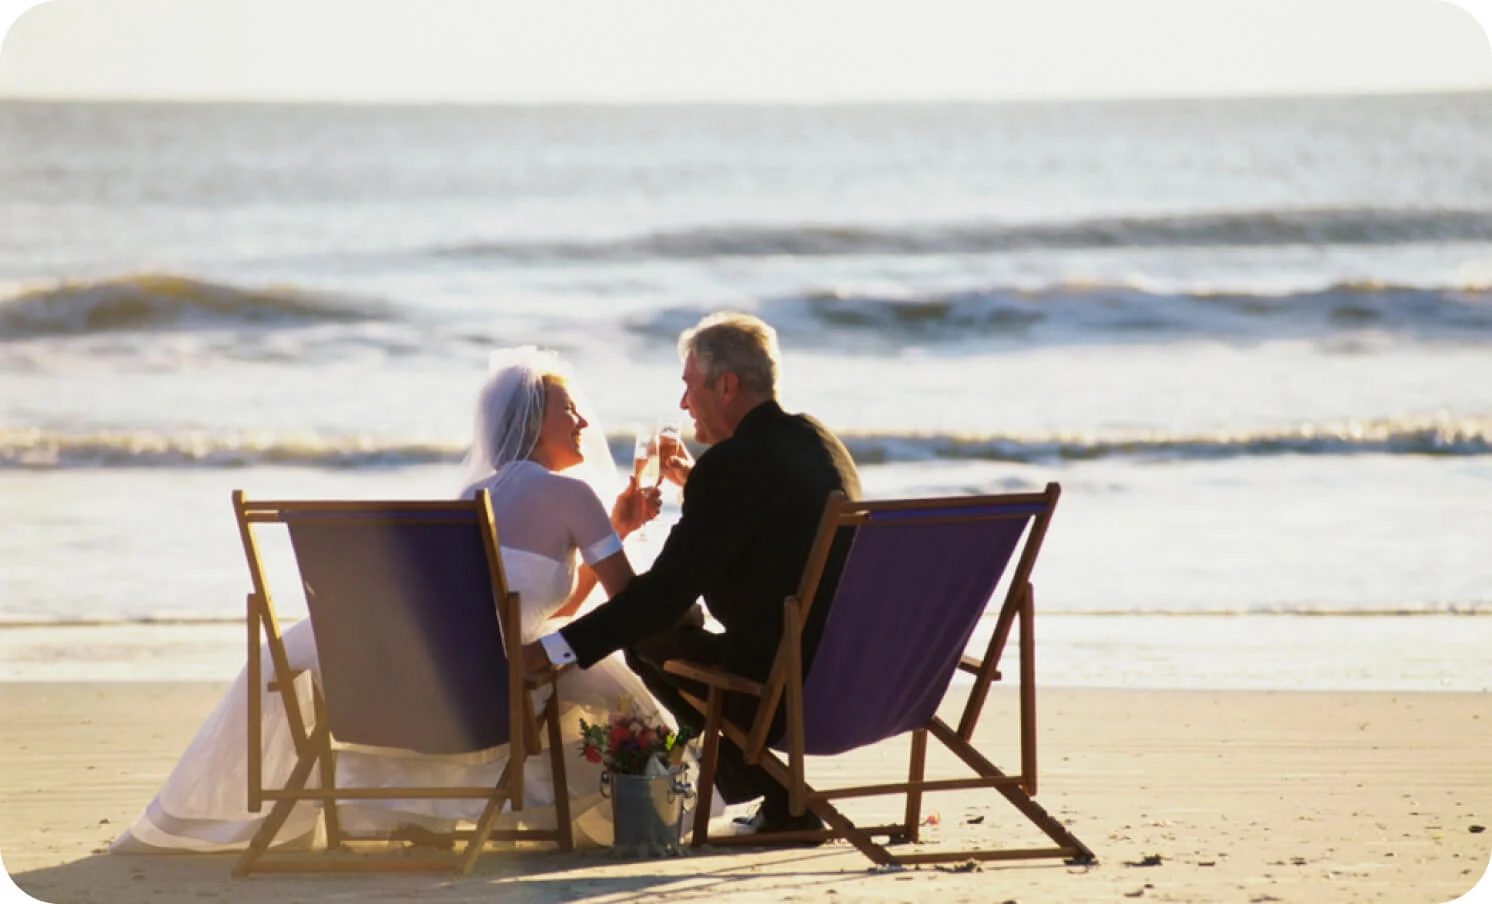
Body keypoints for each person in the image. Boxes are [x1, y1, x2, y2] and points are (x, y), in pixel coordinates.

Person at [111, 347, 680, 854]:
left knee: (554, 660)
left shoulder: (473, 497)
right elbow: (625, 604)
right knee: (606, 688)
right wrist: (618, 538)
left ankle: (426, 810)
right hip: (494, 691)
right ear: (534, 421)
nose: (583, 420)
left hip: (434, 680)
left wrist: (618, 530)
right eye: (569, 409)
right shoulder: (572, 495)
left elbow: (516, 609)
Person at [523, 312, 862, 838]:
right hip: (852, 675)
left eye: (688, 386)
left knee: (653, 633)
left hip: (781, 690)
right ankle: (778, 800)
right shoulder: (819, 442)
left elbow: (659, 598)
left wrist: (556, 650)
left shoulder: (732, 468)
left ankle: (768, 789)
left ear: (726, 385)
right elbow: (773, 517)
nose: (683, 404)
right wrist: (701, 484)